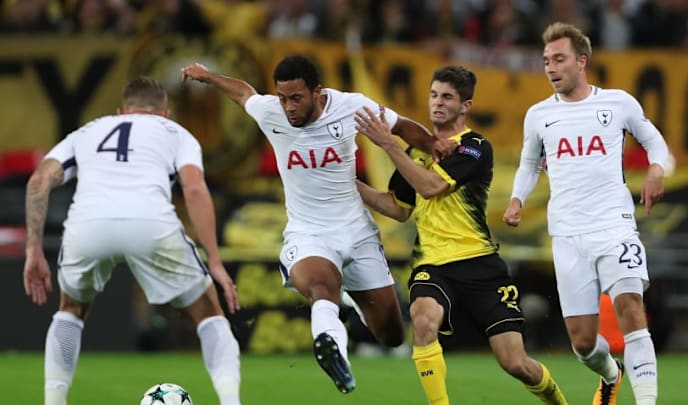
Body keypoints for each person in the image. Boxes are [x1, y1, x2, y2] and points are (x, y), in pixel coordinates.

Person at [181, 55, 443, 394]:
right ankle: (333, 351)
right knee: (322, 286)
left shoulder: (352, 107)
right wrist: (208, 77)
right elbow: (244, 93)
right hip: (309, 234)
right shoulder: (271, 111)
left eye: (296, 98)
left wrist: (437, 147)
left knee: (391, 335)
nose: (288, 107)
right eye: (282, 97)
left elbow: (403, 127)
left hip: (358, 233)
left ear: (317, 92)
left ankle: (346, 308)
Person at [354, 65, 568, 405]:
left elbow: (431, 186)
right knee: (423, 322)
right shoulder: (415, 152)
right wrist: (349, 184)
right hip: (433, 264)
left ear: (465, 106)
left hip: (479, 265)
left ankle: (560, 402)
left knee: (515, 363)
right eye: (434, 95)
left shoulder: (475, 146)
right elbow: (398, 208)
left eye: (447, 97)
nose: (437, 103)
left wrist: (387, 144)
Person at [23, 77, 242, 405]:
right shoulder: (176, 133)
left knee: (71, 309)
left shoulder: (87, 131)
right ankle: (230, 402)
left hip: (88, 224)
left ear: (120, 111)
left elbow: (39, 181)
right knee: (209, 312)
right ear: (164, 113)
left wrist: (33, 250)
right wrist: (214, 260)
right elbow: (194, 189)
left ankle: (54, 403)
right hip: (150, 222)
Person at [503, 22, 667, 405]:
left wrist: (656, 169)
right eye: (546, 61)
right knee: (582, 342)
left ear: (581, 61)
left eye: (558, 59)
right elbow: (529, 164)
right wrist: (516, 199)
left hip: (615, 226)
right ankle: (611, 374)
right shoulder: (539, 115)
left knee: (631, 308)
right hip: (567, 234)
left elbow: (654, 141)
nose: (550, 67)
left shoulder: (618, 103)